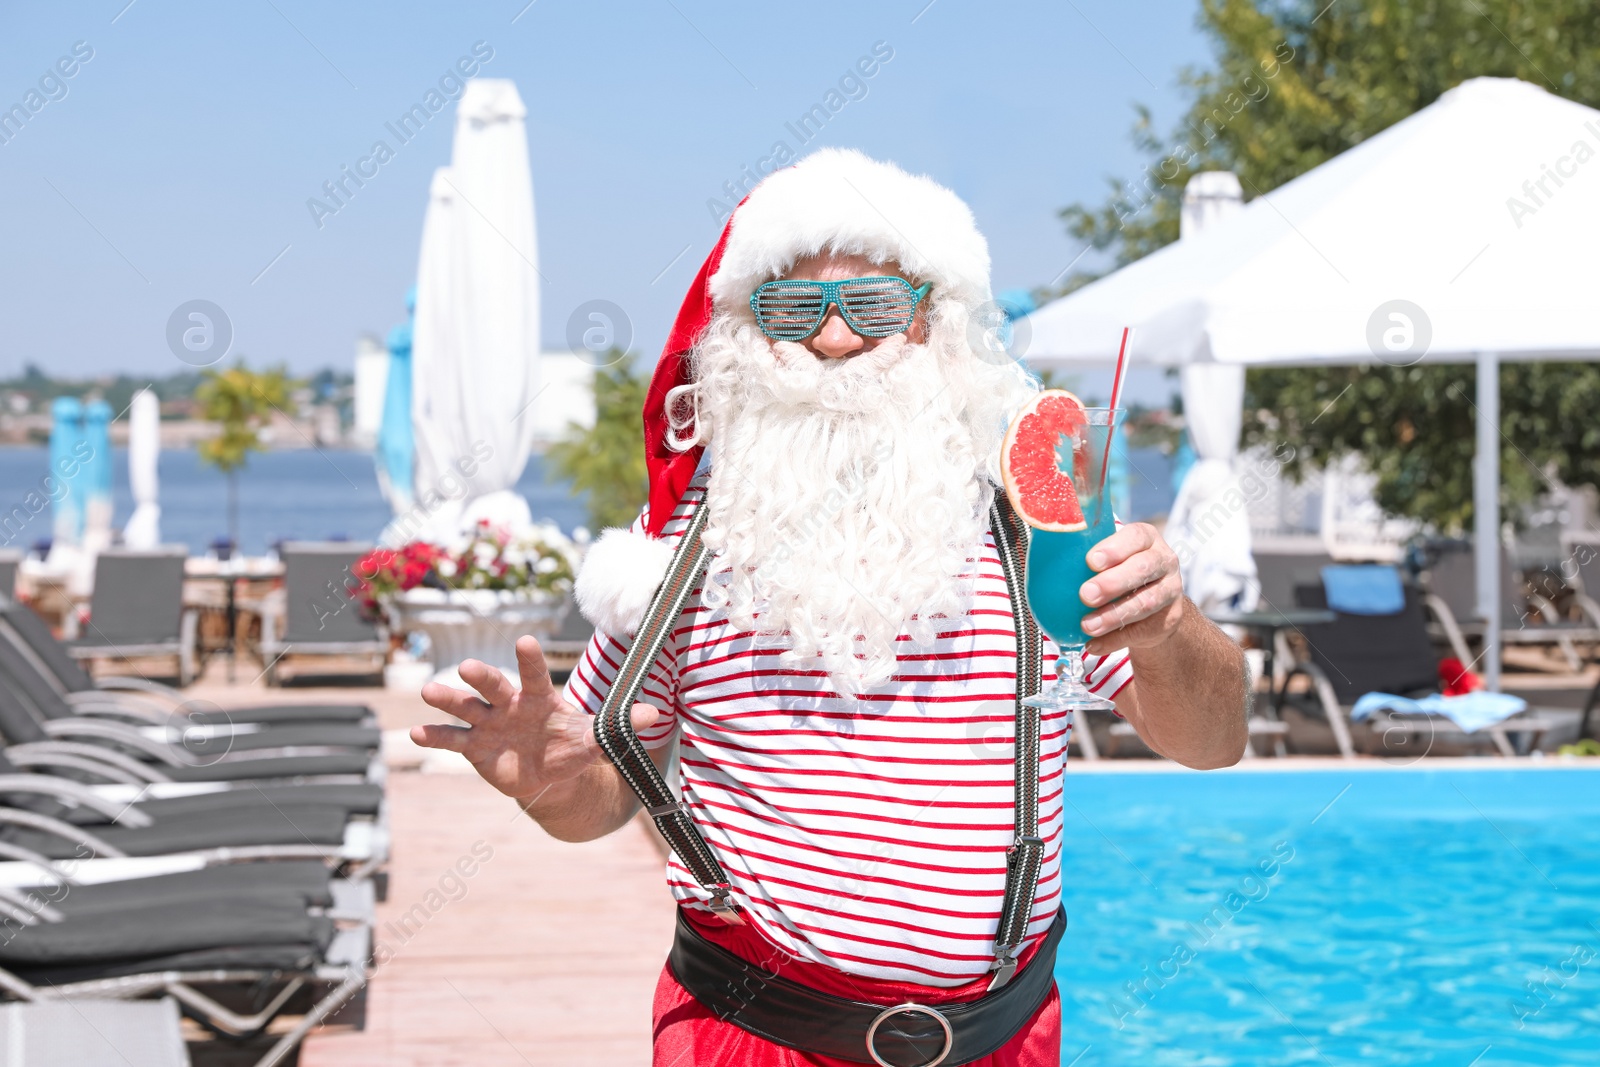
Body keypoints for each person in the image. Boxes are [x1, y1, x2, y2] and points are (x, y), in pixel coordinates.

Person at [413, 149, 1248, 1067]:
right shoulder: (685, 544)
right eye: (793, 311)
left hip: (1002, 1042)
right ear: (747, 335)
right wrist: (546, 780)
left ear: (938, 321)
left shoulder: (1031, 515)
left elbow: (1210, 740)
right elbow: (598, 797)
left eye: (876, 306)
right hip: (750, 1036)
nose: (836, 340)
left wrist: (1170, 628)